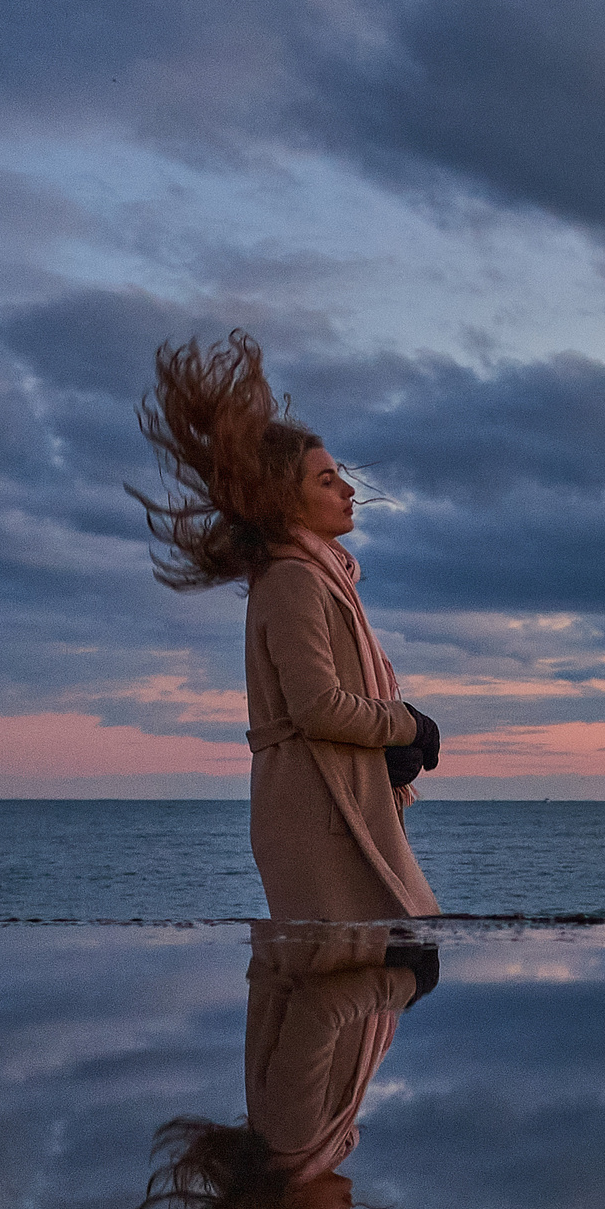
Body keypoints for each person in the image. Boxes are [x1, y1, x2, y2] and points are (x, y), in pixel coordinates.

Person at [130, 330, 440, 920]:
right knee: (341, 986)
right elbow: (317, 706)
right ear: (282, 499)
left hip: (334, 803)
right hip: (317, 815)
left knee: (366, 983)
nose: (348, 490)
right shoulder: (294, 580)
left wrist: (392, 750)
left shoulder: (321, 579)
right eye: (326, 480)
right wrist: (411, 725)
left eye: (340, 475)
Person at [131, 925, 436, 1209]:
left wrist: (405, 987)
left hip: (334, 919)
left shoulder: (293, 1132)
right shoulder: (310, 1139)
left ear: (286, 1208)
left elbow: (318, 1010)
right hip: (342, 928)